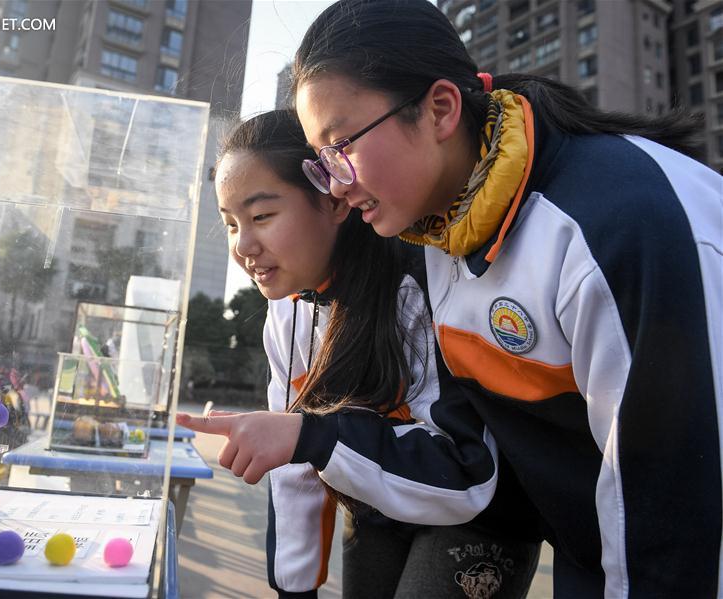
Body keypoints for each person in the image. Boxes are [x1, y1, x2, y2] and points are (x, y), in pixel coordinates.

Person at [180, 1, 723, 597]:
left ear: (440, 109)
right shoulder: (441, 235)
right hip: (588, 551)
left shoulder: (616, 226)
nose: (338, 183)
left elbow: (674, 504)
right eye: (321, 162)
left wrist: (313, 436)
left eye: (343, 147)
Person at [211, 109, 540, 598]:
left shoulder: (419, 283)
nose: (244, 247)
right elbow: (294, 468)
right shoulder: (286, 311)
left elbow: (467, 474)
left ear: (335, 203)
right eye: (231, 224)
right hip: (377, 496)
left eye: (261, 216)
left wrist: (315, 438)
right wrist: (293, 590)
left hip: (479, 511)